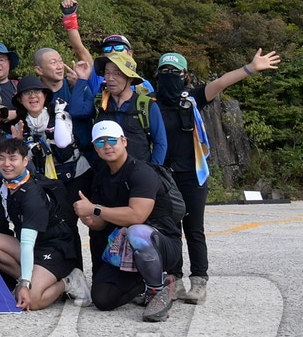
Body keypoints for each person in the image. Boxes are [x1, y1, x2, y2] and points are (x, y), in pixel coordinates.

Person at [153, 48, 279, 305]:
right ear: (157, 75)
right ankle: (173, 281)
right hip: (163, 176)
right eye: (164, 71)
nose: (169, 76)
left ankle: (199, 281)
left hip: (192, 175)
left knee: (194, 228)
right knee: (169, 231)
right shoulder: (150, 103)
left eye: (175, 72)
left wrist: (250, 68)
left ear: (185, 76)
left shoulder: (192, 99)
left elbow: (220, 82)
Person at [73, 120, 184, 321]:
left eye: (112, 140)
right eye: (100, 142)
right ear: (95, 148)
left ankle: (156, 291)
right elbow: (102, 222)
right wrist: (88, 217)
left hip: (162, 244)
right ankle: (156, 280)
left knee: (137, 231)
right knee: (102, 299)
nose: (107, 146)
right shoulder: (100, 178)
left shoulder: (141, 172)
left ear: (124, 141)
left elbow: (137, 216)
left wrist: (95, 209)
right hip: (125, 250)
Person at [0, 138, 85, 311]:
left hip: (54, 248)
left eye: (13, 158)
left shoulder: (32, 195)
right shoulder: (5, 183)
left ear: (25, 161)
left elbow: (27, 244)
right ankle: (27, 280)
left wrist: (26, 286)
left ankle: (69, 281)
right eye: (2, 158)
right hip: (34, 247)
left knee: (32, 302)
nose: (6, 164)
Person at [74, 52, 166, 166]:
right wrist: (82, 79)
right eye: (107, 73)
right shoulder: (99, 101)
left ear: (130, 78)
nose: (110, 78)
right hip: (105, 175)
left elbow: (160, 143)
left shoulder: (145, 105)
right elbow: (76, 111)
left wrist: (153, 172)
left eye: (117, 73)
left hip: (138, 175)